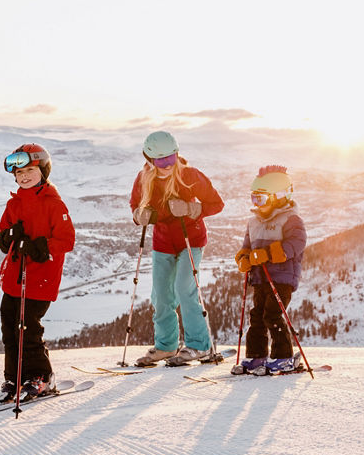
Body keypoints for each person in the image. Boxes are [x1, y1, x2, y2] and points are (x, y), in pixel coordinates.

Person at [129, 131, 224, 367]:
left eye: (170, 158)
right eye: (160, 161)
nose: (166, 165)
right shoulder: (144, 178)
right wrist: (139, 215)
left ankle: (199, 345)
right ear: (150, 159)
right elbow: (135, 204)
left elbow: (216, 203)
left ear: (177, 154)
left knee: (185, 289)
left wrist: (193, 209)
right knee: (161, 296)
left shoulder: (190, 176)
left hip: (190, 239)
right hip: (163, 243)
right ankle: (166, 346)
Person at [0, 144, 75, 402]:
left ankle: (41, 376)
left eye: (30, 170)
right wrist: (7, 238)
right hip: (13, 278)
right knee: (9, 326)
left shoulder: (54, 204)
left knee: (27, 327)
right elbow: (1, 234)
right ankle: (14, 378)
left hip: (41, 278)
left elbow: (67, 240)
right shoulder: (13, 203)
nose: (24, 176)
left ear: (43, 171)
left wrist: (41, 246)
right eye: (19, 172)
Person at [233, 165, 307, 375]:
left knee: (273, 315)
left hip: (282, 278)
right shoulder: (254, 222)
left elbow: (297, 244)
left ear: (279, 196)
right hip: (259, 277)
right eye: (254, 199)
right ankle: (257, 356)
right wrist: (244, 258)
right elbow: (246, 246)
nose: (257, 204)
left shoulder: (291, 219)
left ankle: (283, 357)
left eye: (261, 199)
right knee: (256, 316)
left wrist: (269, 253)